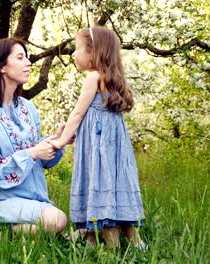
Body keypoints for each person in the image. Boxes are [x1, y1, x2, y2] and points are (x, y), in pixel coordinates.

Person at [48, 26, 146, 249]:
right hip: (114, 151)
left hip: (98, 149)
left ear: (94, 53)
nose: (73, 54)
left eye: (77, 48)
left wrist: (61, 140)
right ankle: (126, 242)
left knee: (97, 181)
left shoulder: (93, 77)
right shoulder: (113, 80)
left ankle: (110, 248)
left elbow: (78, 113)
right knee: (111, 185)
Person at [0, 38, 68, 235]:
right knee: (57, 219)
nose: (28, 63)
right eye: (20, 57)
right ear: (1, 66)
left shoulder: (28, 108)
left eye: (27, 57)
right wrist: (32, 153)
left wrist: (56, 143)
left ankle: (30, 234)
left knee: (55, 221)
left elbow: (39, 159)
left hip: (32, 196)